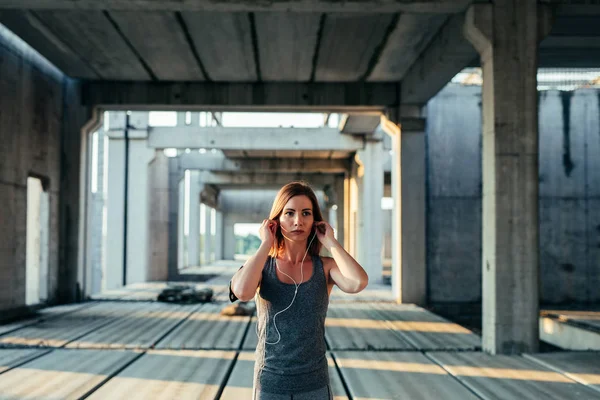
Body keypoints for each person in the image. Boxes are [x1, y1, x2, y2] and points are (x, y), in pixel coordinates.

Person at [229, 181, 369, 400]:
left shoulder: (325, 267)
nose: (298, 221)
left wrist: (331, 242)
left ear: (315, 221)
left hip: (314, 383)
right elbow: (243, 292)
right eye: (289, 213)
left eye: (306, 213)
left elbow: (358, 282)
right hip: (270, 383)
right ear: (276, 220)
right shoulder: (262, 265)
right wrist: (266, 244)